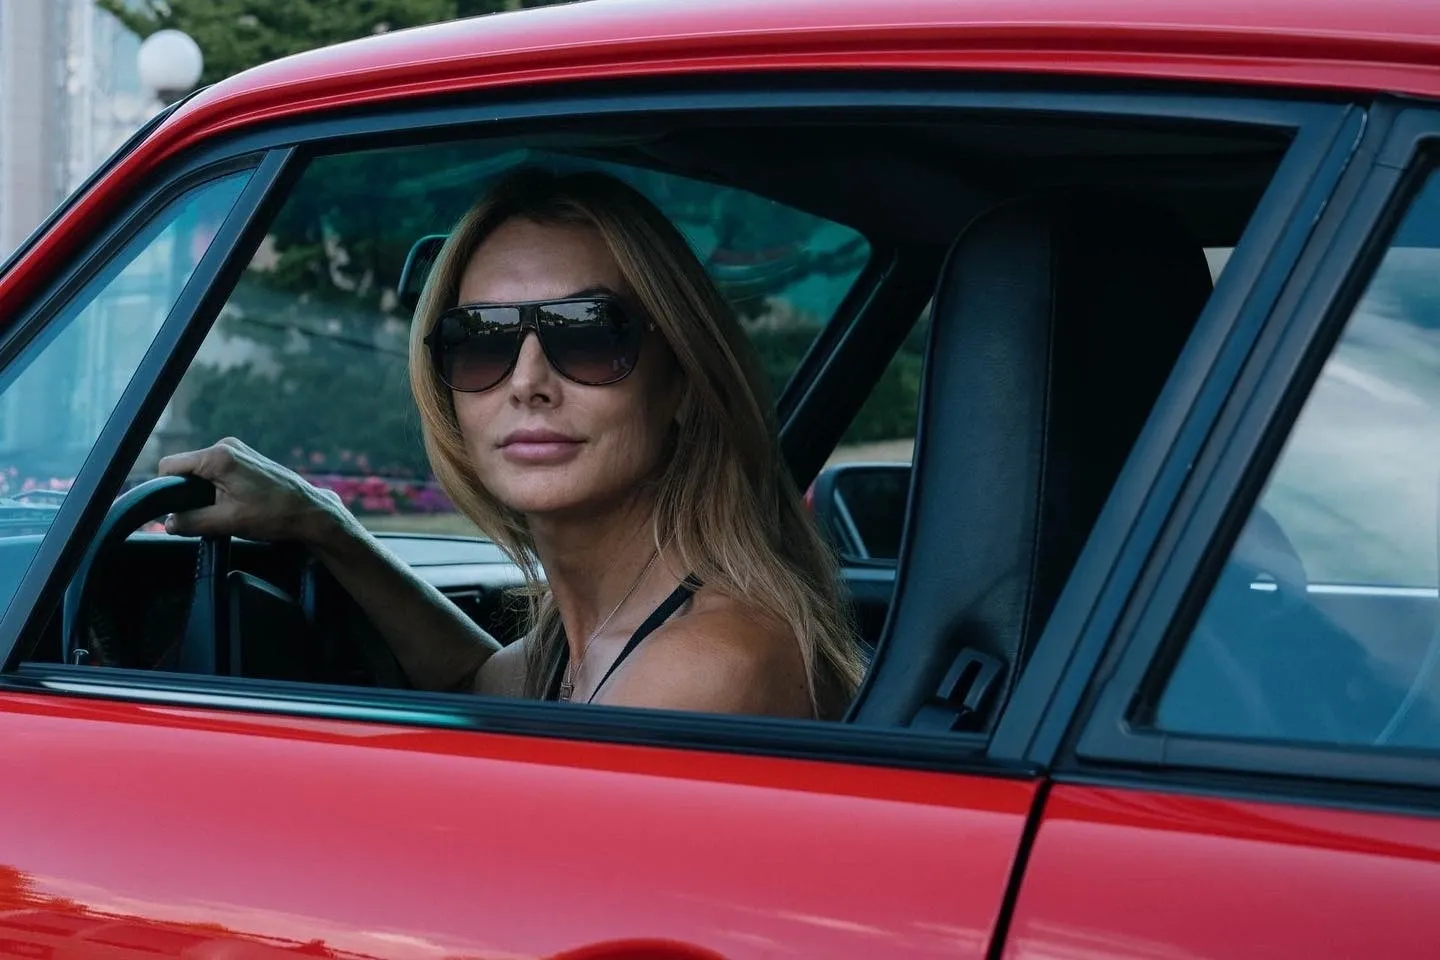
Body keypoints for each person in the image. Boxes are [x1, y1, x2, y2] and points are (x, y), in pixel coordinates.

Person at [159, 167, 866, 720]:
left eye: (588, 333)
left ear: (680, 377)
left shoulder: (705, 665)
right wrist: (326, 525)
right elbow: (476, 682)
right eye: (482, 342)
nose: (527, 381)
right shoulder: (608, 626)